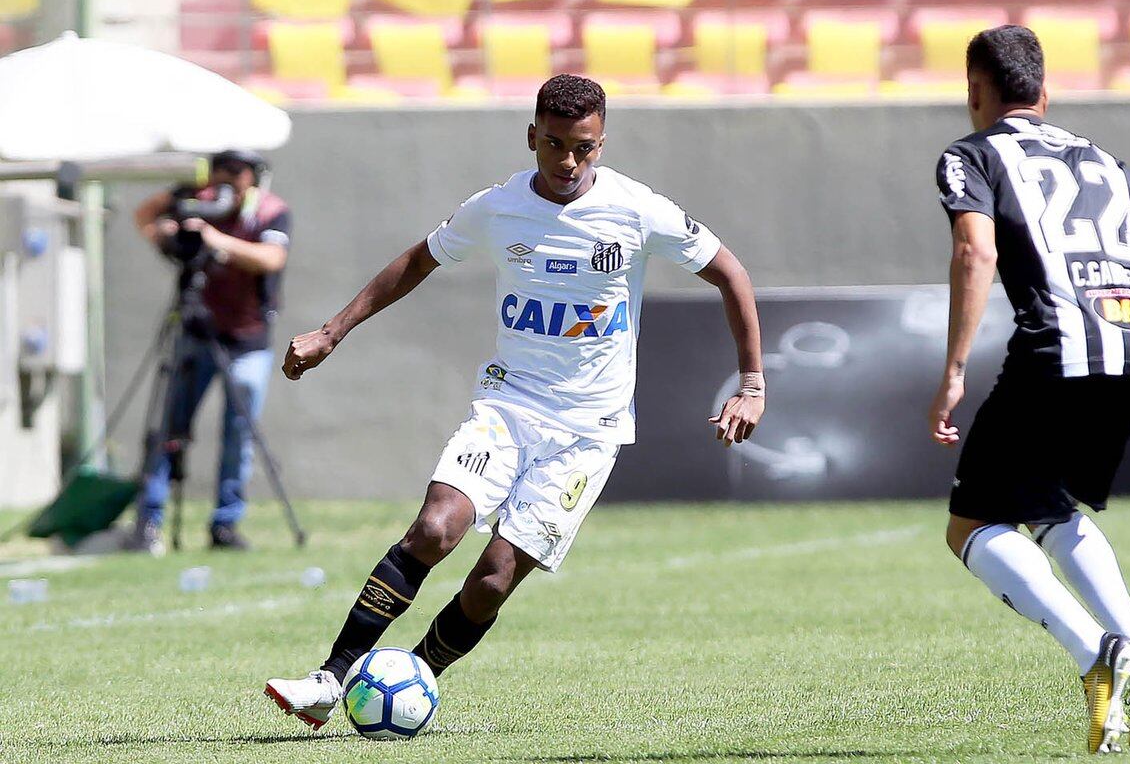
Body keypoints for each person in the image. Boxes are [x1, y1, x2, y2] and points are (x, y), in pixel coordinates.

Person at [263, 74, 765, 728]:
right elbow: (418, 260)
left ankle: (409, 681)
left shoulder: (637, 211)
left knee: (492, 581)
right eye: (554, 144)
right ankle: (331, 679)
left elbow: (730, 272)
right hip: (507, 407)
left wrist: (752, 383)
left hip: (587, 432)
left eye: (583, 147)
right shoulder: (497, 208)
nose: (568, 161)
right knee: (435, 527)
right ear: (532, 136)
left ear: (602, 143)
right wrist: (332, 332)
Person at [929, 26, 1130, 754]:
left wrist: (953, 370)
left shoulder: (972, 155)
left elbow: (975, 249)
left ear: (975, 91)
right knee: (1047, 505)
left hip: (1059, 347)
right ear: (1045, 92)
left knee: (970, 527)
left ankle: (1095, 652)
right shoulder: (1106, 161)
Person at [127, 149, 292, 554]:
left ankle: (225, 523)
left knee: (238, 435)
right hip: (196, 333)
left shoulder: (269, 211)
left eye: (237, 171)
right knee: (169, 429)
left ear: (254, 177)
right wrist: (175, 211)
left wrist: (217, 241)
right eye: (220, 169)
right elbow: (143, 217)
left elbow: (272, 258)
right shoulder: (196, 202)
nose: (227, 178)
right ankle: (149, 520)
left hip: (247, 342)